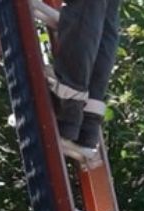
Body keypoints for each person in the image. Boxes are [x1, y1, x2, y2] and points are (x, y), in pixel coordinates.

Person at [49, 0, 121, 150]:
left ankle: (68, 106)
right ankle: (88, 118)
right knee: (105, 17)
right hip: (86, 112)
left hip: (69, 106)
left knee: (86, 9)